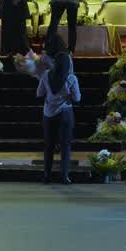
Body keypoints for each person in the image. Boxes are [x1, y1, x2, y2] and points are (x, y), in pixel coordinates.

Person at [38, 52, 81, 184]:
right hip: (65, 114)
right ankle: (64, 176)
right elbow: (77, 98)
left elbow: (39, 93)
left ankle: (47, 175)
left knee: (49, 146)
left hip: (48, 114)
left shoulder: (46, 75)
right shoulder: (71, 78)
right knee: (65, 146)